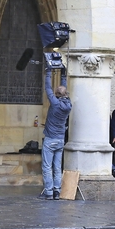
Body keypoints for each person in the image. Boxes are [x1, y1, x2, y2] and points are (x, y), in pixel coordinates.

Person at [38, 68, 72, 200]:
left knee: (47, 167)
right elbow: (64, 89)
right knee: (57, 167)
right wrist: (63, 74)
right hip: (60, 139)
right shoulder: (68, 104)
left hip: (51, 138)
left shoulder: (55, 103)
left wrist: (48, 72)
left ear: (57, 95)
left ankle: (49, 192)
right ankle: (57, 191)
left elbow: (47, 88)